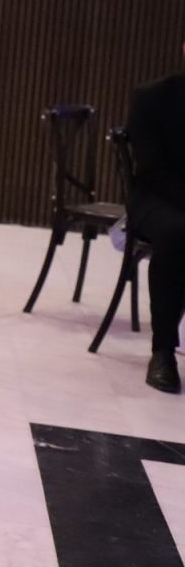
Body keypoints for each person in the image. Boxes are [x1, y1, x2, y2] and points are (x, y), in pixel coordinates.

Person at [125, 44, 185, 393]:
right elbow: (151, 170)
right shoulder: (154, 97)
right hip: (156, 199)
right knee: (178, 233)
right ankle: (163, 351)